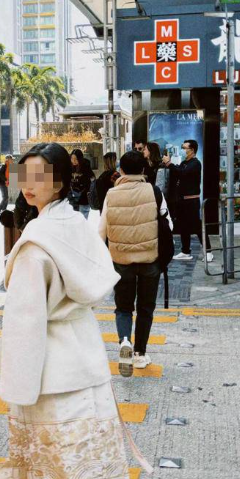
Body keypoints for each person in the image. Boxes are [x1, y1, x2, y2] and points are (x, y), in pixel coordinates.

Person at [0, 142, 134, 479]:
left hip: (47, 376)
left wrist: (16, 388)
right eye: (25, 175)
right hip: (87, 362)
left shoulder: (35, 245)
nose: (29, 184)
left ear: (61, 181)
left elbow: (24, 324)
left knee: (53, 475)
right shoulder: (77, 225)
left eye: (40, 176)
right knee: (91, 470)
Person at [99, 150, 172, 375]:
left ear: (120, 170)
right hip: (150, 259)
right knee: (145, 308)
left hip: (121, 260)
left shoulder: (111, 194)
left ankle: (124, 341)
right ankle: (140, 354)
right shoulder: (154, 192)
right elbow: (168, 225)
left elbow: (101, 230)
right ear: (143, 169)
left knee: (123, 307)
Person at [163, 139, 213, 262]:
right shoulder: (184, 162)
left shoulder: (195, 163)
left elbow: (182, 173)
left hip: (191, 201)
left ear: (192, 150)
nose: (182, 150)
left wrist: (169, 163)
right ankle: (185, 251)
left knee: (196, 226)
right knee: (183, 226)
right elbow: (177, 173)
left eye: (184, 148)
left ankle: (208, 251)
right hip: (181, 200)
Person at [69, 148, 94, 219]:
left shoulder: (86, 167)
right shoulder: (69, 167)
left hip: (84, 198)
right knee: (72, 219)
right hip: (72, 198)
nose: (73, 161)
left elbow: (91, 182)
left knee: (82, 219)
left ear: (80, 159)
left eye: (76, 159)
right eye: (72, 158)